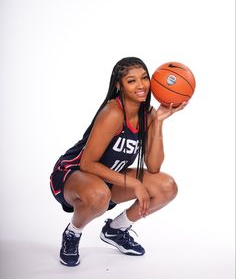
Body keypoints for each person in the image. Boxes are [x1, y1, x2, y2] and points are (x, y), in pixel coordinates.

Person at [50, 57, 187, 267]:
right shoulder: (113, 112)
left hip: (107, 179)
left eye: (144, 78)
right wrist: (134, 183)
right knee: (99, 194)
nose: (141, 85)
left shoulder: (148, 114)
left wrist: (158, 122)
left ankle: (116, 230)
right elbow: (87, 163)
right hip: (72, 175)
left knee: (166, 187)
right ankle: (72, 234)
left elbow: (153, 167)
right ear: (119, 85)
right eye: (131, 81)